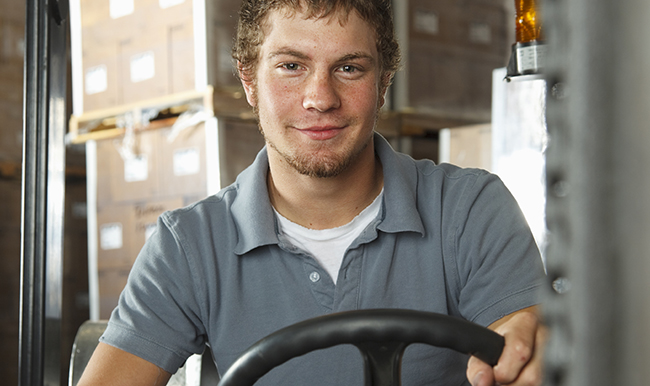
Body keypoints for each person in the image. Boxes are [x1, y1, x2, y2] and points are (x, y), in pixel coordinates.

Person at [78, 0, 547, 385]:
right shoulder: (189, 245)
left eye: (348, 68)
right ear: (248, 81)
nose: (320, 98)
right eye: (290, 66)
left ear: (383, 83)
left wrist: (531, 342)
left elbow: (523, 339)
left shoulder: (469, 210)